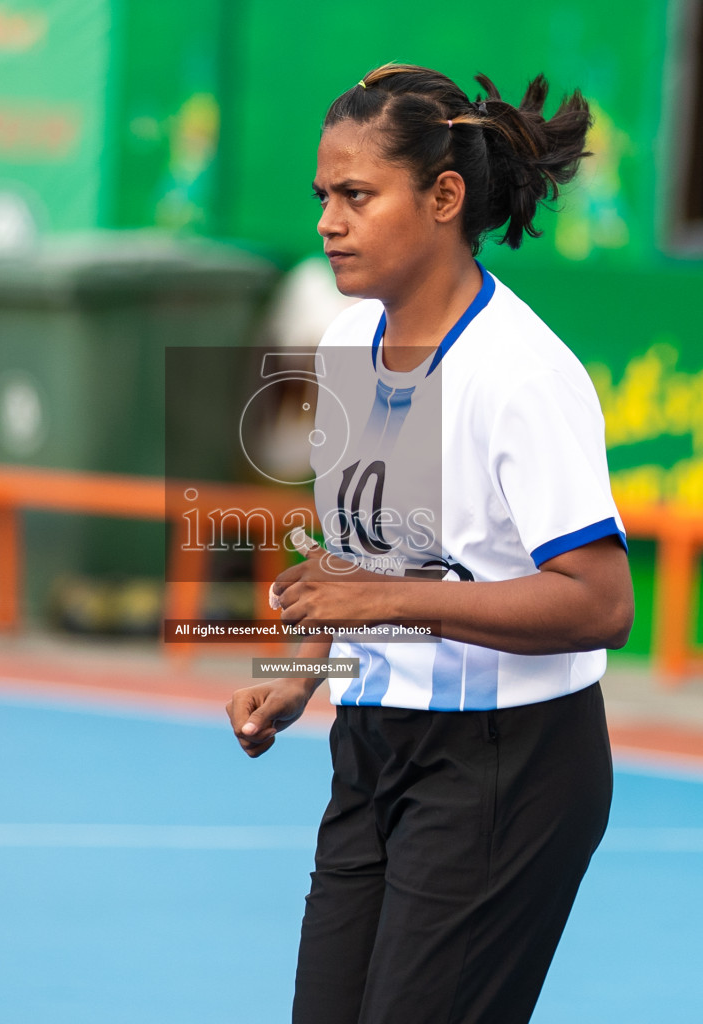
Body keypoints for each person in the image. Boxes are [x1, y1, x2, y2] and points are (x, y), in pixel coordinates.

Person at [224, 63, 632, 1024]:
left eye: (357, 195)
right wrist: (304, 668)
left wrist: (389, 603)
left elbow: (600, 604)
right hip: (373, 748)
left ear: (444, 197)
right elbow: (376, 555)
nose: (329, 220)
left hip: (506, 766)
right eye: (324, 196)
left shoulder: (523, 374)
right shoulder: (344, 343)